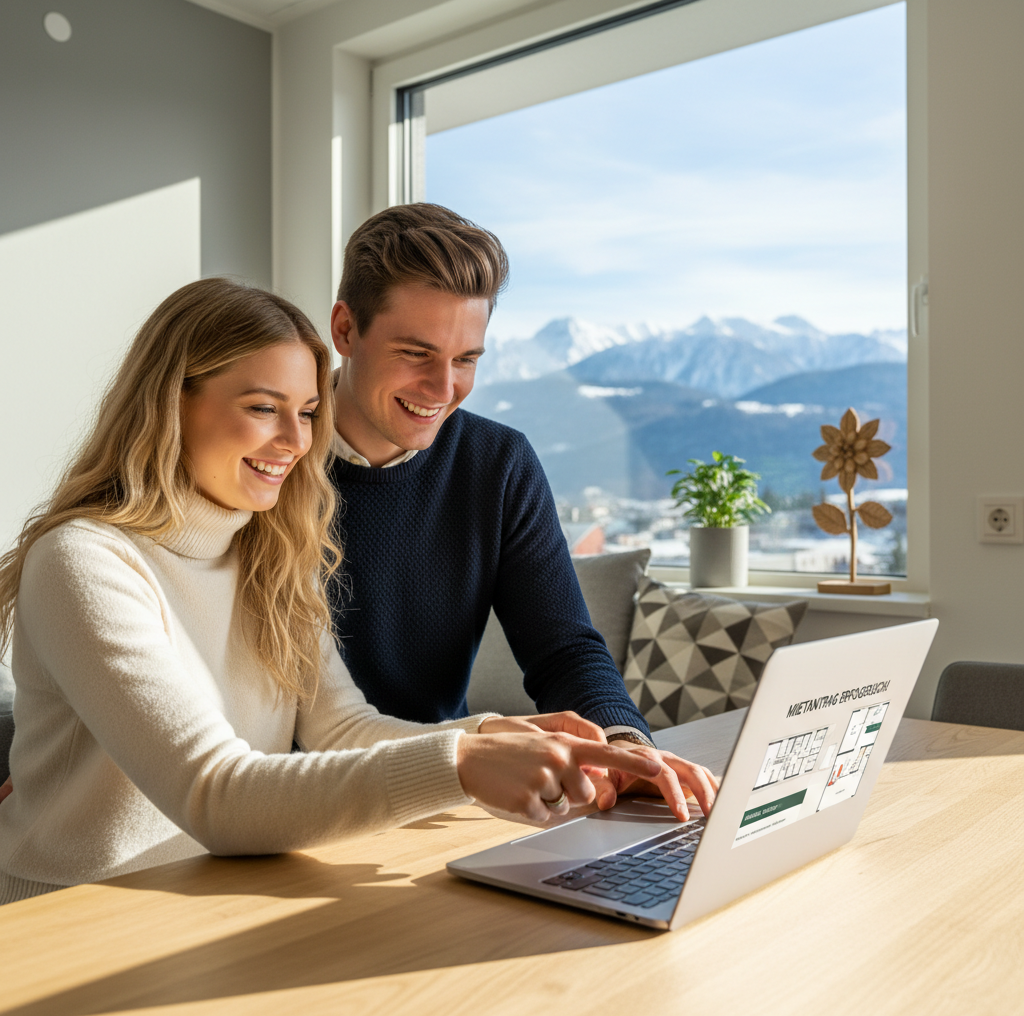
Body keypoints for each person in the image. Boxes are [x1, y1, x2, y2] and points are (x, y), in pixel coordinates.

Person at [0, 278, 683, 905]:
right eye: (264, 408)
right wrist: (464, 762)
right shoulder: (84, 561)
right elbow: (214, 793)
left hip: (214, 894)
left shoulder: (270, 552)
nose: (297, 441)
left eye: (306, 411)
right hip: (71, 910)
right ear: (170, 401)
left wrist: (498, 736)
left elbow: (340, 729)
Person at [326, 203, 717, 807]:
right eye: (415, 353)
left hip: (439, 792)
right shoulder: (269, 463)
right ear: (346, 330)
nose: (442, 388)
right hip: (296, 799)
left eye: (466, 360)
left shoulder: (497, 462)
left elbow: (561, 645)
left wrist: (626, 746)